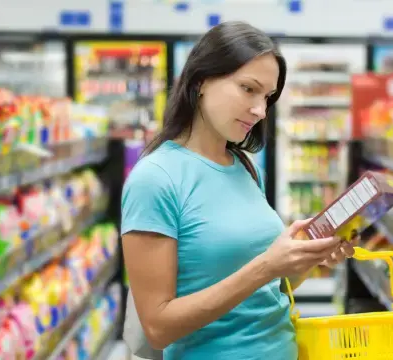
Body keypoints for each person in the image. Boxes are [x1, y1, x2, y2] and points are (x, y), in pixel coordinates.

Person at [121, 21, 355, 360]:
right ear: (201, 81)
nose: (261, 110)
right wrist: (265, 266)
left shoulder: (243, 167)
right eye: (248, 89)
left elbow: (266, 292)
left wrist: (305, 260)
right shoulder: (155, 178)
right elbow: (158, 328)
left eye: (267, 97)